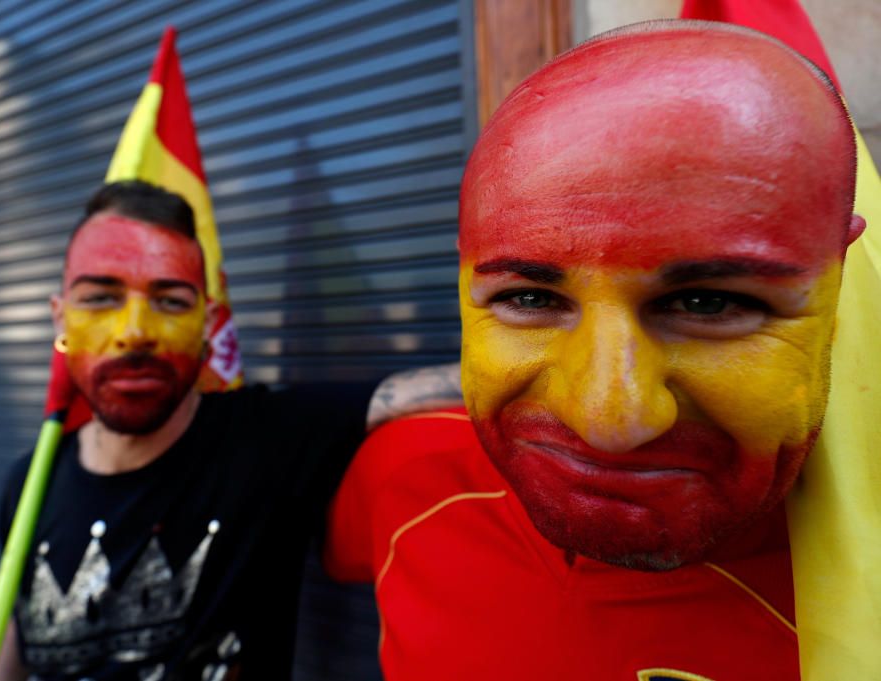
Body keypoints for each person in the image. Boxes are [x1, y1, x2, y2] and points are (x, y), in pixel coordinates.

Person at [325, 20, 871, 680]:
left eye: (709, 303)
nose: (608, 419)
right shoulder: (406, 475)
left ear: (842, 288)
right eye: (529, 298)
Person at [0, 180, 461, 681]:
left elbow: (454, 385)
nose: (134, 332)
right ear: (60, 316)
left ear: (207, 322)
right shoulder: (29, 483)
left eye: (170, 301)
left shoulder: (267, 440)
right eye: (101, 299)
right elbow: (15, 640)